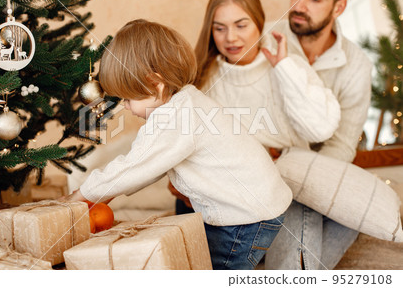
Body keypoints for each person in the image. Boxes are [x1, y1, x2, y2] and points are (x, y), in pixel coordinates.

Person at [64, 19, 293, 270]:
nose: (126, 107)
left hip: (243, 220)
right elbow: (147, 165)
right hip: (256, 209)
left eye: (128, 98)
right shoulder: (187, 101)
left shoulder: (172, 119)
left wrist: (83, 194)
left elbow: (134, 166)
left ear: (155, 83)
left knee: (216, 271)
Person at [172, 0, 342, 221]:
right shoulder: (200, 80)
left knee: (316, 220)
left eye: (241, 25)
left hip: (288, 187)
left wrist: (284, 70)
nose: (230, 38)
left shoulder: (288, 64)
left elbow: (320, 130)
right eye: (219, 28)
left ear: (259, 23)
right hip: (230, 196)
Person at [264, 0, 373, 270]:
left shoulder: (357, 67)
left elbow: (341, 146)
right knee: (300, 208)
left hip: (316, 176)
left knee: (354, 211)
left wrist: (301, 176)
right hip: (265, 177)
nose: (299, 6)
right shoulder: (264, 41)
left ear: (339, 7)